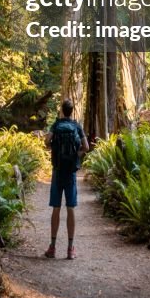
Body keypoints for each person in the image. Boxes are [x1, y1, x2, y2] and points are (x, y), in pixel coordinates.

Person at [44, 98, 89, 260]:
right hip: (71, 172)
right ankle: (70, 249)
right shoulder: (77, 126)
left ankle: (53, 247)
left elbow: (46, 141)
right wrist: (74, 156)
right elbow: (86, 147)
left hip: (57, 171)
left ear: (62, 110)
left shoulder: (56, 125)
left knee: (56, 208)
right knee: (70, 208)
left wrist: (55, 151)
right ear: (72, 111)